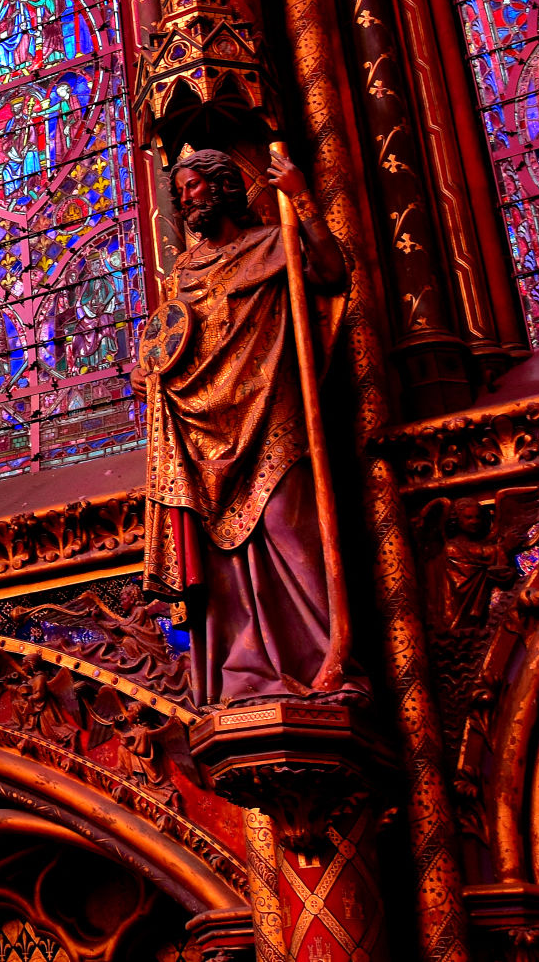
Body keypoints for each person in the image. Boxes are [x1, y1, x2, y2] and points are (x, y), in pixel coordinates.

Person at [138, 148, 364, 704]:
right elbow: (171, 341)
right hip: (199, 424)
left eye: (193, 187)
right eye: (181, 190)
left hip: (269, 408)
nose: (185, 199)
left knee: (288, 524)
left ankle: (323, 660)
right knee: (220, 555)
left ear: (224, 188)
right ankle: (243, 674)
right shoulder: (185, 271)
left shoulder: (272, 242)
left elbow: (333, 274)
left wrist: (302, 196)